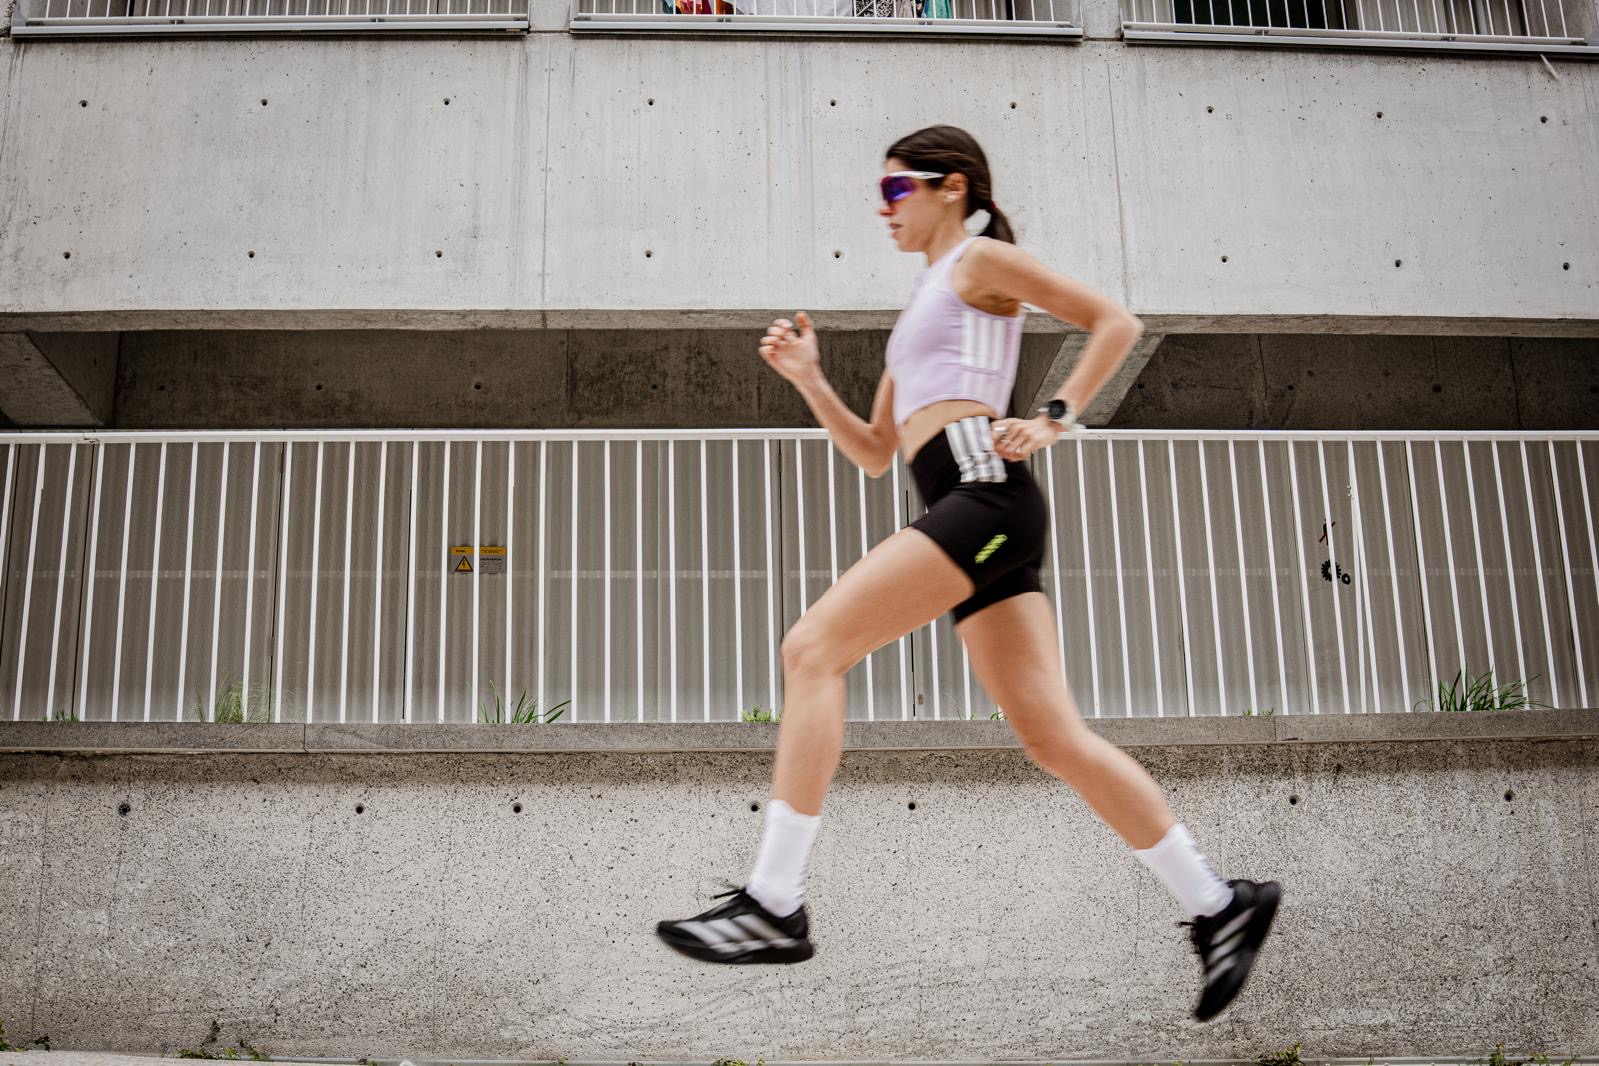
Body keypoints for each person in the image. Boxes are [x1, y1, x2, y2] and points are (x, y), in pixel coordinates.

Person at [656, 124, 1279, 1023]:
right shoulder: (917, 314)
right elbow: (873, 453)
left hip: (985, 495)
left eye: (896, 189)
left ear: (952, 186)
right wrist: (807, 378)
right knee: (1053, 739)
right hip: (959, 502)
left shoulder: (979, 261)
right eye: (880, 194)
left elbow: (1115, 322)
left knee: (812, 648)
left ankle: (774, 904)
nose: (883, 208)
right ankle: (1220, 906)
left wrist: (1055, 416)